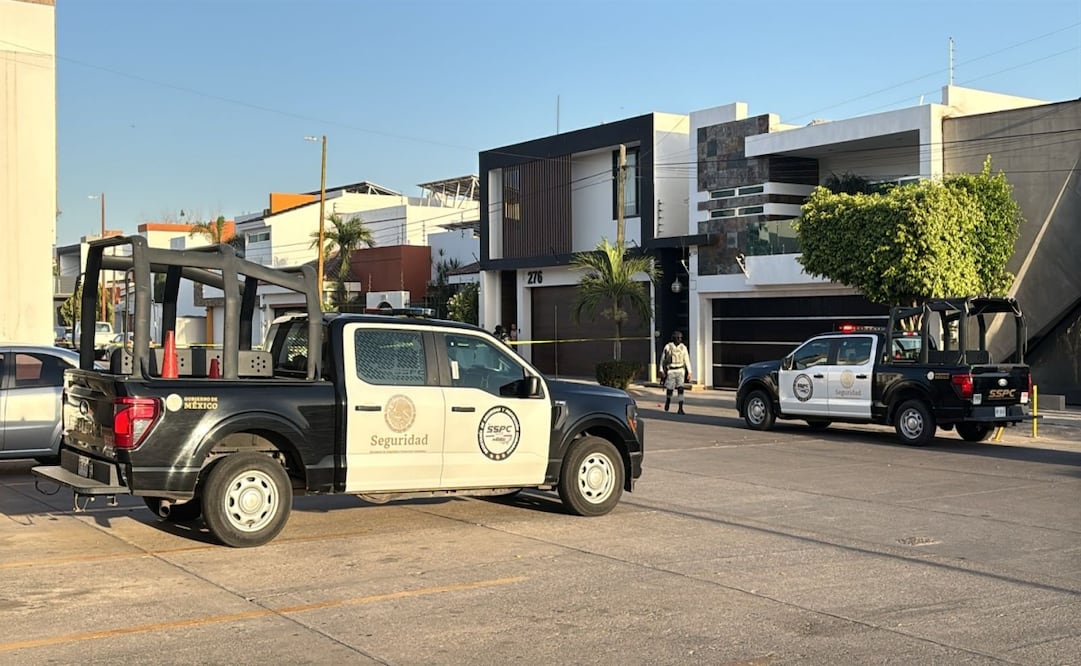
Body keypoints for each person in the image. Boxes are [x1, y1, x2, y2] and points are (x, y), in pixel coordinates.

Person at [660, 331, 692, 414]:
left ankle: (680, 408)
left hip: (680, 370)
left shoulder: (683, 348)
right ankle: (668, 400)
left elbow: (687, 360)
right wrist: (661, 370)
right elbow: (662, 360)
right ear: (674, 338)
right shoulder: (668, 347)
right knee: (670, 389)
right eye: (678, 338)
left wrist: (689, 372)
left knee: (680, 389)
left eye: (680, 338)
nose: (679, 339)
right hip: (671, 370)